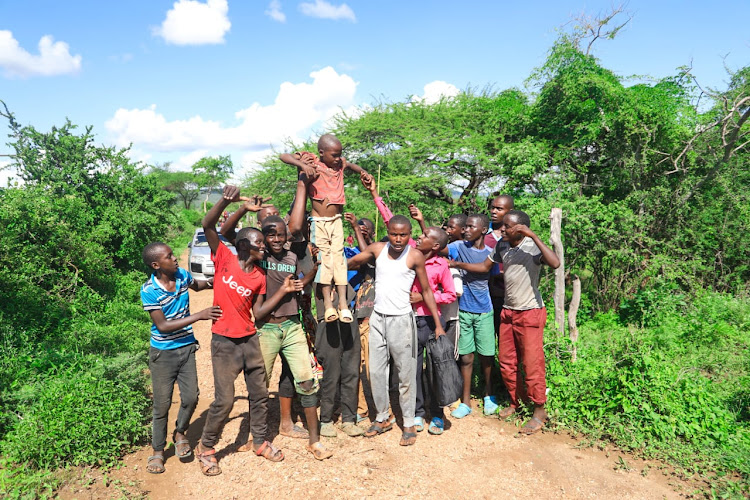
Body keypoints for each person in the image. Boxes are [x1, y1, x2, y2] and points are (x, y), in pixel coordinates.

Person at [196, 186, 302, 476]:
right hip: (224, 343)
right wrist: (232, 204)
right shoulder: (224, 259)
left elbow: (257, 312)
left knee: (258, 395)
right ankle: (206, 448)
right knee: (225, 400)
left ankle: (259, 441)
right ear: (245, 245)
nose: (264, 246)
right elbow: (208, 225)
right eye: (259, 243)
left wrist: (280, 291)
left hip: (250, 340)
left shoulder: (258, 276)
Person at [451, 210, 560, 435]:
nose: (503, 229)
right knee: (507, 362)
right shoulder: (502, 246)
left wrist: (533, 236)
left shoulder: (532, 247)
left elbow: (555, 263)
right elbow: (484, 267)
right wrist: (457, 265)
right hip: (508, 312)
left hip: (529, 312)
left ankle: (539, 410)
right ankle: (516, 401)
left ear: (520, 228)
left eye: (508, 227)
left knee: (532, 363)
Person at [347, 215, 445, 446]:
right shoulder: (377, 249)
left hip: (402, 320)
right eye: (394, 234)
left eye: (403, 234)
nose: (398, 239)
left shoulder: (414, 256)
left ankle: (409, 422)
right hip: (378, 319)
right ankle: (383, 417)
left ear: (410, 234)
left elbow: (427, 291)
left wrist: (438, 325)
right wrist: (330, 263)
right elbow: (352, 262)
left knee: (406, 373)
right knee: (377, 372)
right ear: (388, 232)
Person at [254, 215, 332, 459]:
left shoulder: (292, 257)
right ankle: (257, 437)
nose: (276, 239)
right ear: (263, 237)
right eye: (271, 235)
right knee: (259, 385)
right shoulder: (260, 259)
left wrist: (312, 272)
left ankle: (314, 441)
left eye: (281, 234)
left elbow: (300, 280)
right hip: (266, 329)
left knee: (307, 381)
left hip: (292, 326)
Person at [140, 242, 220, 474]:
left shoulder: (182, 275)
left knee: (191, 397)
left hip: (186, 349)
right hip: (163, 353)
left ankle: (180, 433)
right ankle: (157, 451)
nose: (175, 259)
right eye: (169, 256)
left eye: (174, 255)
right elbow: (163, 326)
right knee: (162, 405)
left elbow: (200, 284)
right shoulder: (149, 289)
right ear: (156, 265)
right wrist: (199, 315)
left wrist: (220, 278)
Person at [280, 134, 371, 324]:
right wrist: (302, 165)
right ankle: (329, 304)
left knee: (339, 259)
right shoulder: (313, 160)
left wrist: (363, 172)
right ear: (321, 153)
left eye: (340, 155)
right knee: (323, 260)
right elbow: (284, 156)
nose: (338, 159)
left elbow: (352, 166)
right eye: (334, 155)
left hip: (336, 220)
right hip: (319, 221)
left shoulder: (340, 164)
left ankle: (343, 305)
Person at [445, 214, 498, 418]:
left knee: (486, 357)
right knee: (466, 357)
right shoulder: (458, 246)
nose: (465, 229)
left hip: (484, 311)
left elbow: (488, 275)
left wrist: (458, 265)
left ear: (483, 230)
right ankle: (465, 401)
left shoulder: (489, 253)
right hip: (464, 312)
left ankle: (489, 395)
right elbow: (440, 246)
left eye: (470, 226)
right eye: (465, 226)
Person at [410, 227, 456, 435]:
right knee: (415, 368)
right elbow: (391, 222)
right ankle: (418, 412)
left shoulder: (441, 265)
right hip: (409, 319)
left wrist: (426, 298)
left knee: (436, 369)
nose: (420, 237)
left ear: (436, 245)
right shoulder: (410, 255)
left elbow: (450, 295)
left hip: (431, 321)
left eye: (425, 236)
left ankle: (437, 413)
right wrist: (376, 196)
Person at [485, 195, 514, 335]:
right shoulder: (481, 232)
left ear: (510, 211)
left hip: (509, 295)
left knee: (505, 336)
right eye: (493, 208)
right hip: (485, 294)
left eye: (499, 209)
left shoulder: (515, 235)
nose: (494, 211)